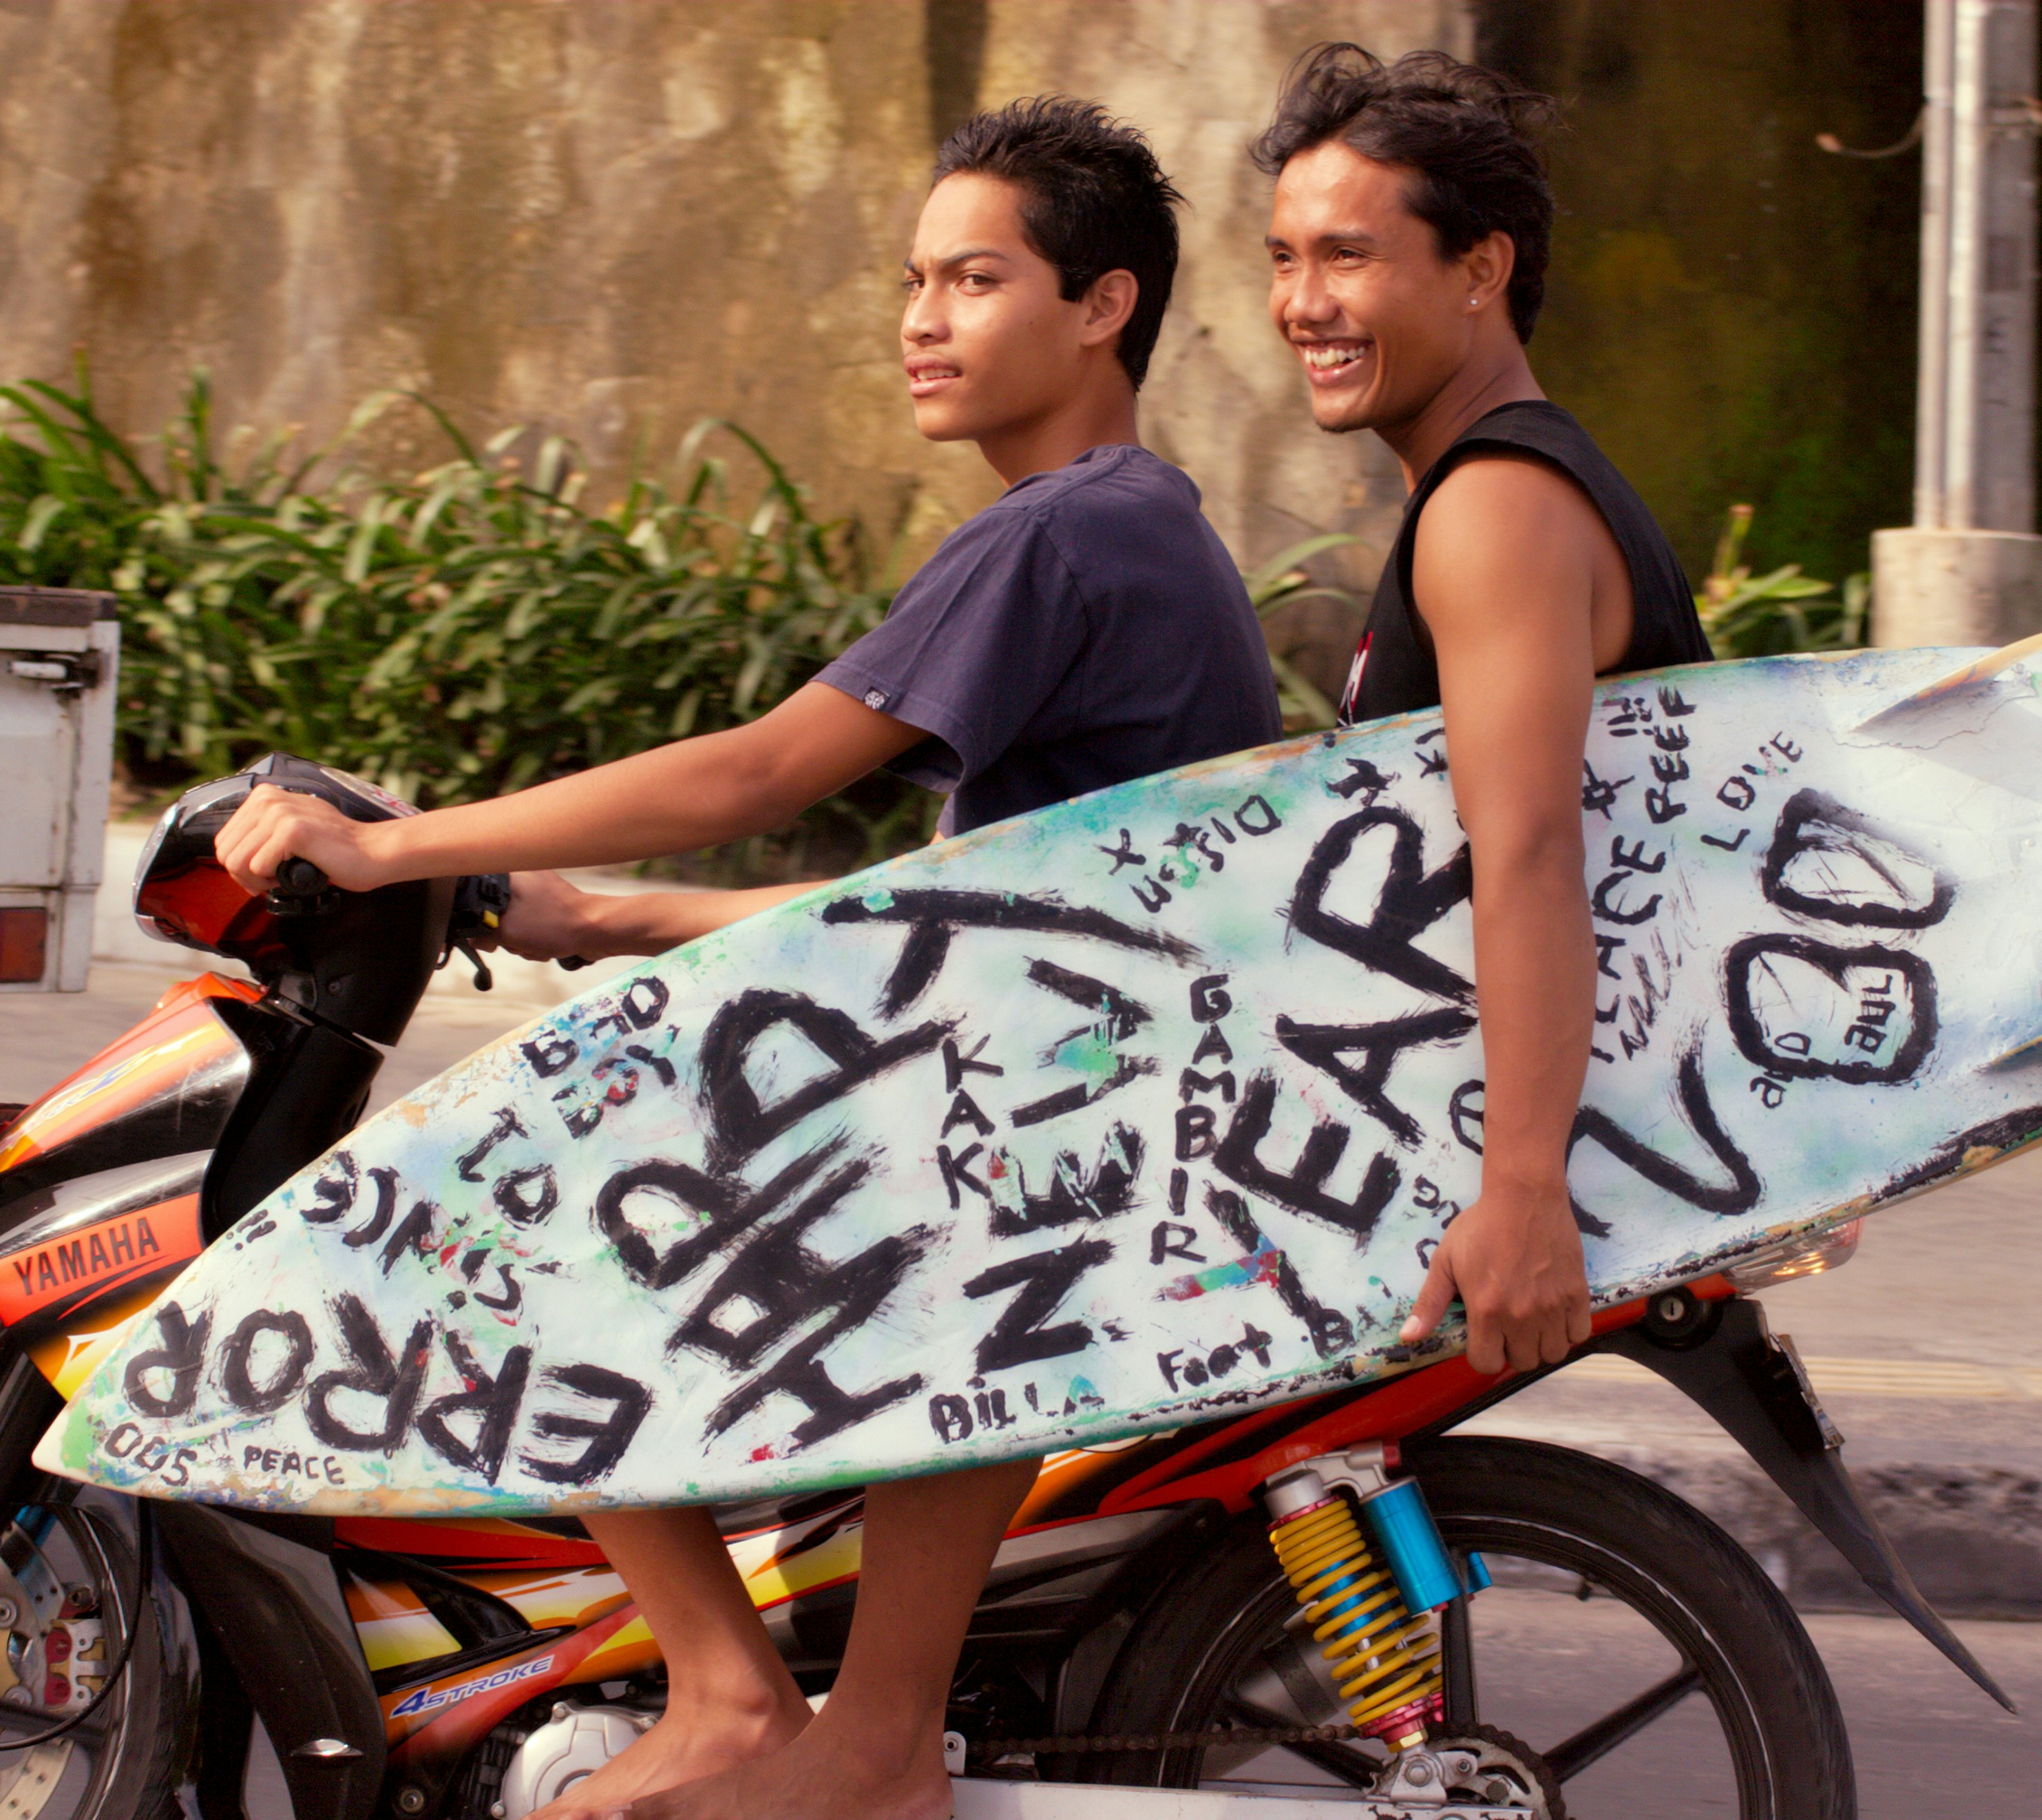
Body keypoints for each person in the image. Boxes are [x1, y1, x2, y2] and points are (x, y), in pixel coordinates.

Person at [215, 98, 1280, 1820]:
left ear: (1103, 306)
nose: (921, 321)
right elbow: (950, 907)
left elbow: (762, 770)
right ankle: (787, 1703)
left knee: (512, 1212)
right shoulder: (1137, 522)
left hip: (1030, 1140)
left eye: (974, 279)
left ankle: (749, 1703)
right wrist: (599, 913)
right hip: (1067, 1097)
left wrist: (396, 844)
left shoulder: (1061, 531)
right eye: (913, 281)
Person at [1254, 45, 1714, 1379]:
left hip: (1491, 1167)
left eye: (1346, 257)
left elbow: (1524, 847)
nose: (1301, 304)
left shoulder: (1495, 506)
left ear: (1478, 268)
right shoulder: (1494, 485)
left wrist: (1520, 1188)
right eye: (1282, 259)